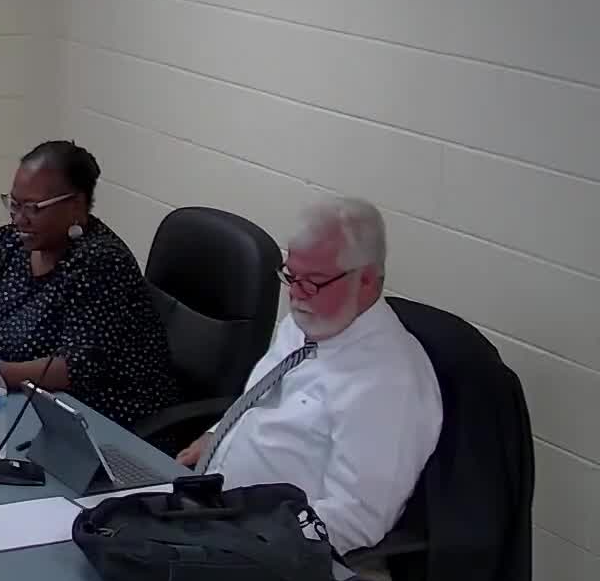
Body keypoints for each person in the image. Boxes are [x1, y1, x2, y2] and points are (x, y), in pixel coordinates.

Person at [175, 198, 440, 556]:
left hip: (270, 547)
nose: (296, 296)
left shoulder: (389, 383)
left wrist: (252, 540)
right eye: (291, 277)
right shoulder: (310, 323)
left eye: (313, 282)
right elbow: (261, 400)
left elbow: (356, 519)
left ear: (366, 280)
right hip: (211, 505)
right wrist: (217, 435)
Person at [0, 141, 178, 427]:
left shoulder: (100, 263)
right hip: (17, 398)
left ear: (75, 205)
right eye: (14, 204)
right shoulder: (9, 243)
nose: (19, 219)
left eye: (33, 208)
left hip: (95, 414)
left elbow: (75, 368)